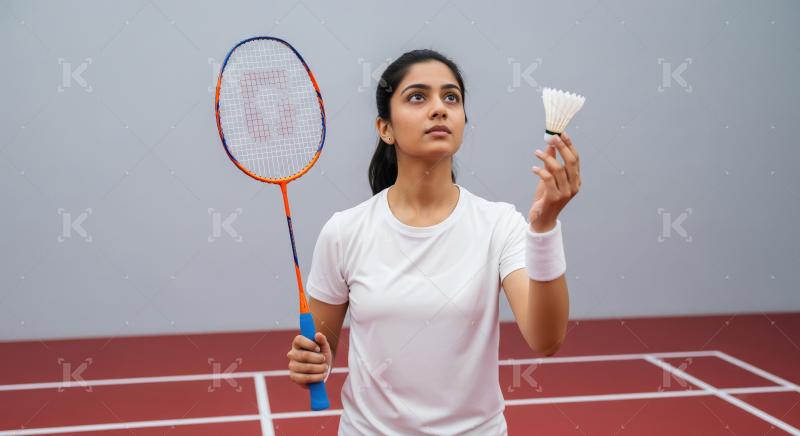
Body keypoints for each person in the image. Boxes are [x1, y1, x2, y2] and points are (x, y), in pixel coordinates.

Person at [286, 49, 578, 435]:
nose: (439, 108)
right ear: (385, 128)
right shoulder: (344, 232)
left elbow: (546, 340)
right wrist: (312, 363)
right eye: (417, 97)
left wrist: (544, 227)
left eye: (451, 97)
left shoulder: (500, 225)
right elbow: (323, 350)